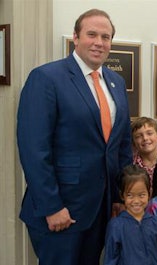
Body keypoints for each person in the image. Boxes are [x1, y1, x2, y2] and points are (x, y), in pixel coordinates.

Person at [16, 9, 132, 265]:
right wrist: (51, 206)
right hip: (61, 212)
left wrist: (121, 197)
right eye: (92, 34)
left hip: (102, 210)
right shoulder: (46, 78)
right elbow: (34, 150)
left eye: (106, 36)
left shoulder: (116, 82)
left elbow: (122, 145)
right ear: (76, 37)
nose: (99, 42)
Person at [104, 165, 157, 265]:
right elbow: (111, 258)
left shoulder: (155, 223)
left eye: (141, 195)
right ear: (122, 195)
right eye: (130, 195)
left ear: (149, 193)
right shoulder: (116, 225)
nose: (136, 201)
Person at [131, 116, 157, 182]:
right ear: (134, 143)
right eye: (138, 136)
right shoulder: (131, 165)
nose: (145, 138)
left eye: (149, 133)